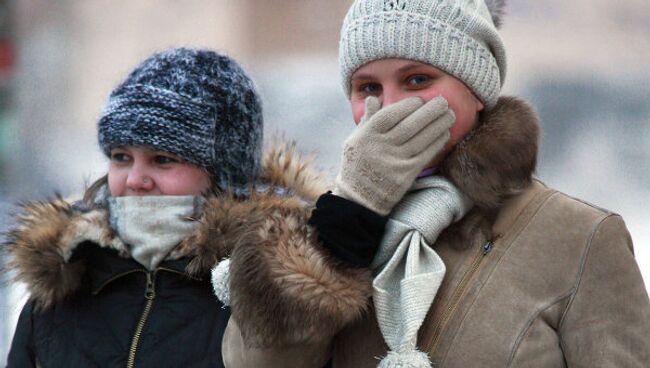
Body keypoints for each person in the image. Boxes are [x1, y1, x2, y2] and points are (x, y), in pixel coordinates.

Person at [219, 0, 650, 367]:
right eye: (368, 87)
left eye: (418, 80)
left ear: (477, 88)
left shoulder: (579, 236)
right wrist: (349, 216)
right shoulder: (325, 231)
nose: (390, 107)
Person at [5, 47, 284, 367]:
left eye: (162, 160)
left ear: (226, 176)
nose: (135, 180)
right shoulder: (63, 284)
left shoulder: (267, 294)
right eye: (121, 157)